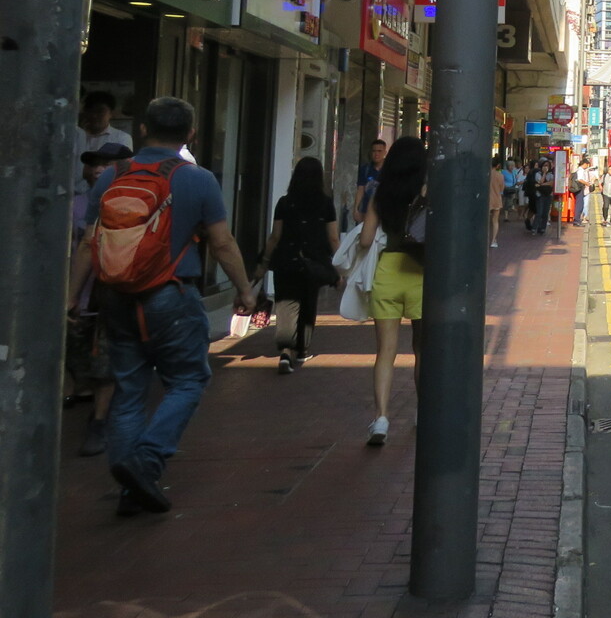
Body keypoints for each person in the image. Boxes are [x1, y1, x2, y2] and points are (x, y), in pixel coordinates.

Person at [73, 97, 256, 515]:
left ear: (142, 129)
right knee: (189, 380)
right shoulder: (198, 179)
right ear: (190, 134)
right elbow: (222, 243)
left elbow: (88, 243)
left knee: (129, 389)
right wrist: (244, 290)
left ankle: (127, 481)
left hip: (115, 297)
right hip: (171, 295)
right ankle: (145, 462)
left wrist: (71, 296)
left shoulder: (112, 175)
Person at [65, 142, 135, 456]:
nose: (96, 170)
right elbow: (73, 247)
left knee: (105, 360)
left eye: (105, 164)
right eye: (94, 164)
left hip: (112, 290)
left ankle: (99, 420)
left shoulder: (133, 199)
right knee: (81, 357)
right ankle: (87, 398)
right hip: (83, 292)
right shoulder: (75, 204)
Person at [358, 135, 427, 447]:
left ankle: (381, 418)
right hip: (420, 274)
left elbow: (365, 239)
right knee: (421, 350)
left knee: (385, 352)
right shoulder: (427, 191)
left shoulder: (380, 193)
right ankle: (422, 412)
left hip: (387, 273)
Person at [256, 157, 340, 374]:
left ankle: (286, 350)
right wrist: (339, 266)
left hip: (286, 260)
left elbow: (275, 236)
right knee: (308, 304)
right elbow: (333, 239)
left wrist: (264, 261)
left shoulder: (284, 202)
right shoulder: (326, 203)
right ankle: (301, 350)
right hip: (313, 263)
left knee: (286, 304)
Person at [72, 90, 134, 196]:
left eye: (100, 112)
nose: (95, 116)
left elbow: (122, 169)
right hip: (74, 193)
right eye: (91, 111)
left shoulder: (121, 137)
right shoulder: (76, 135)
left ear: (111, 113)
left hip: (106, 194)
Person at [489, 156, 505, 248]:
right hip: (497, 198)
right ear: (498, 165)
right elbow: (502, 188)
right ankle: (493, 240)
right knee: (495, 221)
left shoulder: (486, 174)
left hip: (487, 199)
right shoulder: (500, 175)